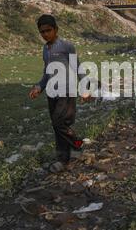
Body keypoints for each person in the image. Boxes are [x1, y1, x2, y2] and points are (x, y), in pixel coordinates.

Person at [28, 15, 91, 174]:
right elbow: (46, 73)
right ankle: (63, 159)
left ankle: (77, 144)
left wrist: (84, 87)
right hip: (52, 92)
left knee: (58, 123)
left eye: (48, 30)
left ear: (56, 29)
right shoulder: (45, 49)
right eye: (42, 32)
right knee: (59, 128)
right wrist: (39, 87)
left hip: (66, 91)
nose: (45, 34)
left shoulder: (66, 46)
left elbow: (78, 67)